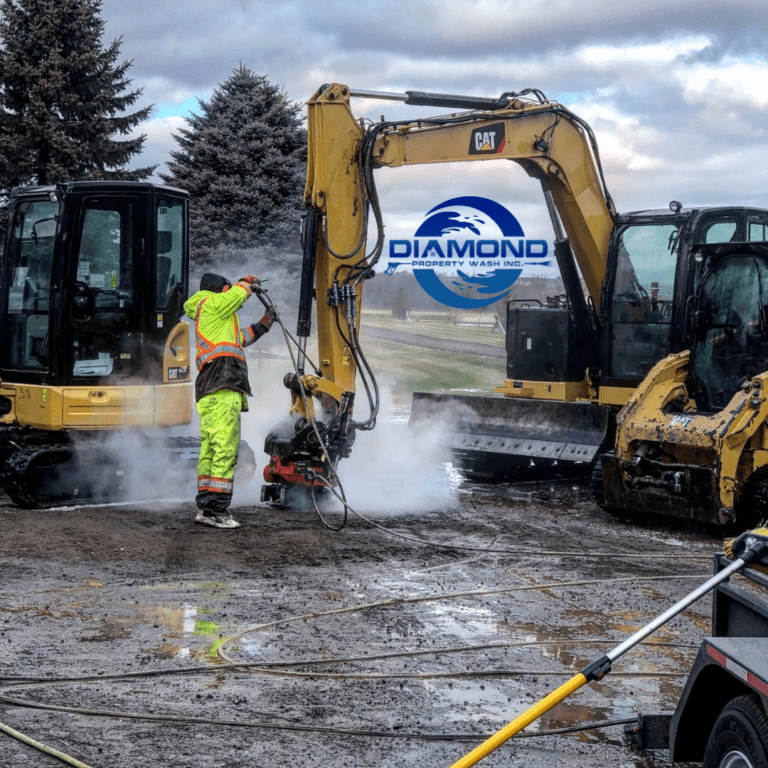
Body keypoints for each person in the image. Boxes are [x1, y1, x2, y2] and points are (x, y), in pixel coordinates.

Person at [183, 272, 275, 528]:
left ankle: (206, 507)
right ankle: (217, 512)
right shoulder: (210, 303)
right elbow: (235, 296)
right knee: (224, 448)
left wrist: (264, 324)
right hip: (221, 386)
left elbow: (240, 339)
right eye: (227, 290)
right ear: (220, 290)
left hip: (214, 388)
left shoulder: (218, 319)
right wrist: (245, 284)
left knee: (211, 450)